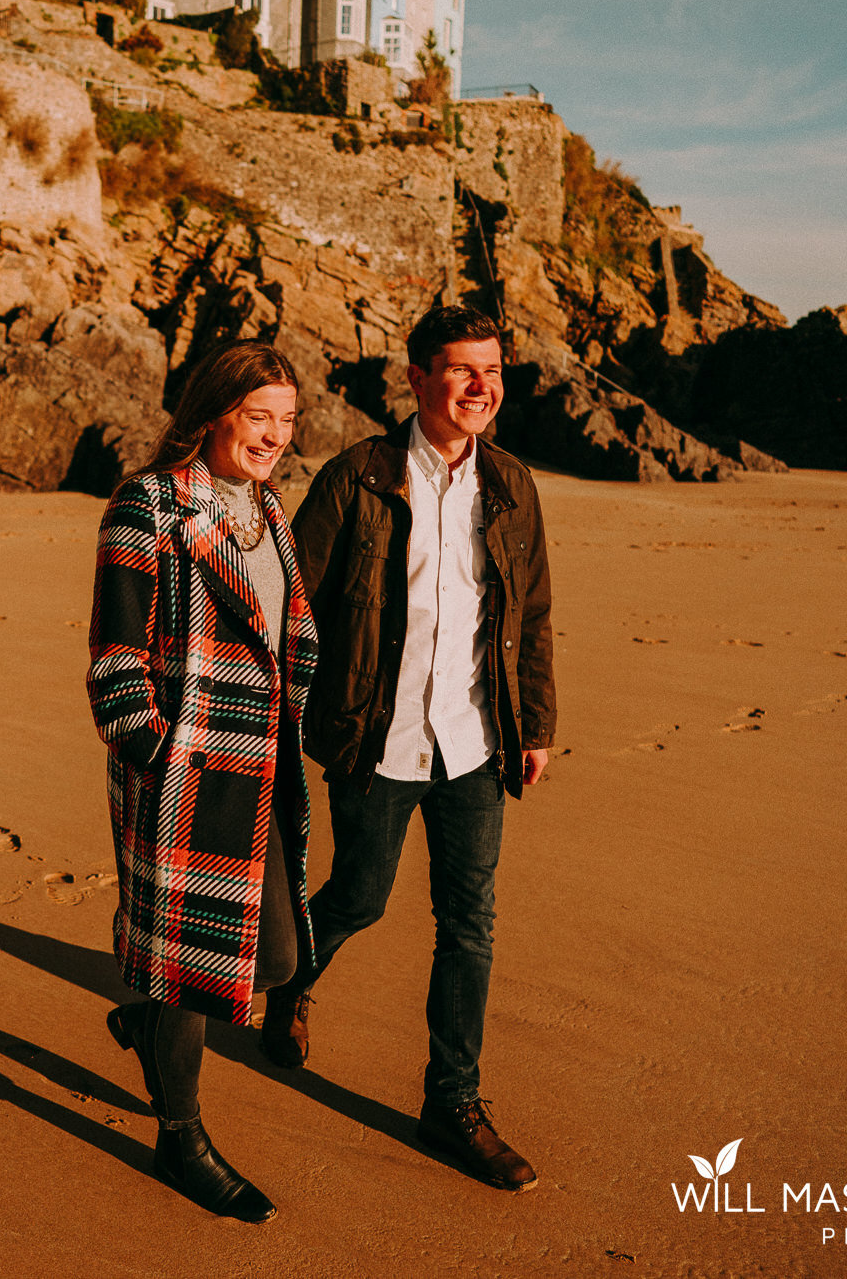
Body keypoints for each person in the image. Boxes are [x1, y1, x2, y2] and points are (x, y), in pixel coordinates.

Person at [262, 304, 555, 1192]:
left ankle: (452, 1103)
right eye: (462, 371)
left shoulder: (511, 484)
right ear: (418, 380)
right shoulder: (358, 479)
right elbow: (293, 603)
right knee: (359, 895)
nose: (481, 388)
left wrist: (534, 723)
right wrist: (272, 714)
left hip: (474, 742)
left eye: (493, 371)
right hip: (374, 739)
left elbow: (532, 612)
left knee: (470, 924)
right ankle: (290, 976)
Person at [86, 340, 319, 1223]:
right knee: (188, 967)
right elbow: (115, 651)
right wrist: (150, 748)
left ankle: (143, 1020)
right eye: (259, 417)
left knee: (282, 957)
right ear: (214, 413)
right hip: (183, 769)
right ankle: (178, 1135)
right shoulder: (147, 504)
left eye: (287, 421)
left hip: (260, 768)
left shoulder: (270, 510)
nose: (275, 437)